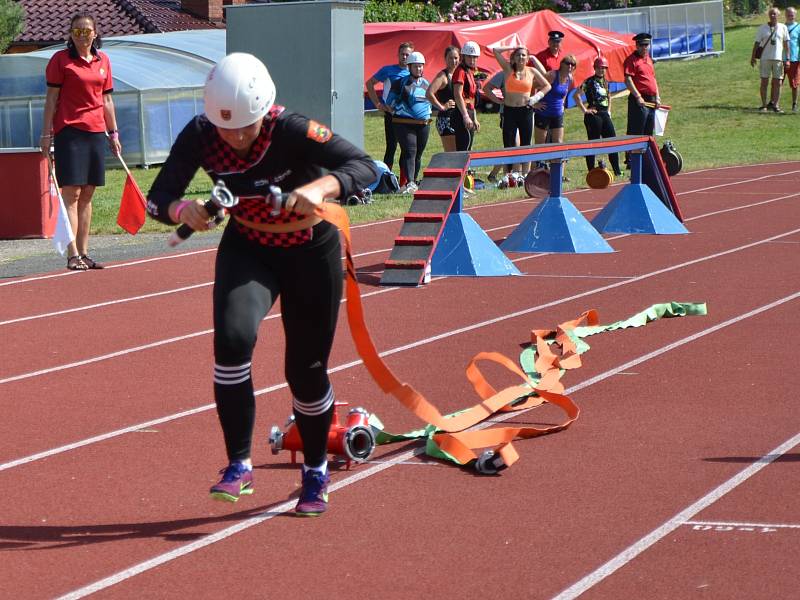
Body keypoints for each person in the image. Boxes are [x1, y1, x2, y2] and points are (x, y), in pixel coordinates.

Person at [145, 53, 376, 516]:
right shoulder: (200, 134)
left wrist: (323, 186)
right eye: (225, 128)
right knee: (232, 341)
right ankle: (238, 464)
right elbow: (158, 198)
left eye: (245, 127)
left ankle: (315, 469)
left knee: (305, 369)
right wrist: (179, 212)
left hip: (311, 249)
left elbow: (366, 167)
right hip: (249, 248)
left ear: (264, 111)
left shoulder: (292, 129)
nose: (235, 138)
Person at [40, 12, 121, 271]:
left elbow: (107, 100)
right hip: (69, 131)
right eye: (77, 31)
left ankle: (85, 252)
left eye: (86, 31)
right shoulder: (60, 61)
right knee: (72, 193)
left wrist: (114, 133)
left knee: (88, 193)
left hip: (96, 132)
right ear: (71, 35)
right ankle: (72, 253)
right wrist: (46, 134)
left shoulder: (103, 61)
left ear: (95, 33)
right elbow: (51, 100)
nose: (82, 35)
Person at [492, 46, 551, 175]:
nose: (521, 58)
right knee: (509, 144)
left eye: (524, 55)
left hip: (526, 111)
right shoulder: (508, 69)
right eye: (518, 55)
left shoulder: (532, 71)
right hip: (510, 111)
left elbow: (547, 85)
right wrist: (514, 47)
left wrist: (535, 97)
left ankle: (525, 175)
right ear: (513, 58)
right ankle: (508, 175)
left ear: (528, 58)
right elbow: (495, 51)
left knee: (526, 143)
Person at [366, 42, 413, 183]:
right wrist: (378, 104)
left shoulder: (415, 71)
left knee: (407, 148)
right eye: (402, 54)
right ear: (398, 55)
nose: (405, 57)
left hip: (408, 117)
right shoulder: (388, 70)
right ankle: (386, 180)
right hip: (392, 115)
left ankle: (405, 182)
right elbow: (369, 84)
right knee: (391, 147)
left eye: (407, 54)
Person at [388, 52, 432, 194]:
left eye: (421, 66)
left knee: (418, 153)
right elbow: (390, 101)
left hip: (423, 124)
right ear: (409, 67)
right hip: (403, 123)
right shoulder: (400, 83)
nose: (419, 69)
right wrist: (396, 109)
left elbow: (432, 100)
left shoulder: (426, 83)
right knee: (410, 152)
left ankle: (414, 181)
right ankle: (410, 182)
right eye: (416, 66)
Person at [574, 56, 622, 177]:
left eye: (604, 68)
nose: (602, 70)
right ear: (595, 68)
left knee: (612, 142)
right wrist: (585, 110)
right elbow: (576, 96)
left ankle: (617, 170)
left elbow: (609, 96)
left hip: (605, 114)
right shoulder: (589, 81)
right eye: (600, 68)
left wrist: (609, 111)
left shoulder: (606, 82)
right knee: (593, 143)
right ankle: (591, 171)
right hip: (594, 115)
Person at [751, 7, 790, 113]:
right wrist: (753, 57)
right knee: (764, 82)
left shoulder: (783, 27)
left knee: (778, 82)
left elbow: (786, 44)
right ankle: (764, 105)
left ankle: (776, 105)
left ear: (779, 15)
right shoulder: (762, 28)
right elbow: (757, 43)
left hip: (778, 59)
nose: (773, 16)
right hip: (765, 59)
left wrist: (787, 59)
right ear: (769, 15)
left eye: (775, 14)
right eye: (771, 14)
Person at [533, 54, 577, 146]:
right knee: (540, 144)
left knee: (558, 144)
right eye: (568, 63)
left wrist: (562, 105)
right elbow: (531, 86)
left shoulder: (570, 79)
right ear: (562, 64)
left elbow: (564, 93)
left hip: (557, 115)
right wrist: (534, 103)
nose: (570, 66)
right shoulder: (552, 75)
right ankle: (539, 161)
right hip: (543, 113)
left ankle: (556, 161)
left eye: (573, 64)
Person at [624, 33, 661, 135]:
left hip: (651, 99)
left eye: (646, 45)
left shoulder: (649, 59)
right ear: (637, 45)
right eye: (641, 45)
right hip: (639, 101)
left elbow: (653, 79)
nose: (644, 48)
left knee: (649, 132)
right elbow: (628, 80)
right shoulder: (631, 60)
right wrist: (638, 96)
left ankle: (646, 151)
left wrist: (657, 97)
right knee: (637, 132)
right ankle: (636, 151)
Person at [426, 46, 460, 152]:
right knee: (451, 154)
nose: (453, 61)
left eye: (455, 58)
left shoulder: (460, 74)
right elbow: (429, 93)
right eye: (450, 58)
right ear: (445, 59)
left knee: (461, 152)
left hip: (459, 119)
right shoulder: (443, 76)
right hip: (446, 120)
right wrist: (442, 107)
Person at [452, 40, 482, 151]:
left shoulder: (470, 71)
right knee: (463, 147)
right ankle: (462, 169)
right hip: (461, 113)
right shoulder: (460, 71)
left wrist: (474, 118)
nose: (472, 60)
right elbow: (458, 94)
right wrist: (465, 116)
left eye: (474, 57)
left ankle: (467, 168)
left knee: (468, 146)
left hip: (468, 111)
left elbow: (471, 98)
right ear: (463, 57)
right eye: (469, 57)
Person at [784, 7, 799, 113]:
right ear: (785, 15)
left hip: (794, 59)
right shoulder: (781, 27)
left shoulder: (798, 27)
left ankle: (794, 104)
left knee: (794, 83)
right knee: (777, 82)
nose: (790, 15)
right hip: (780, 58)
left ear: (795, 15)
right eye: (789, 14)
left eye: (792, 14)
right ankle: (774, 103)